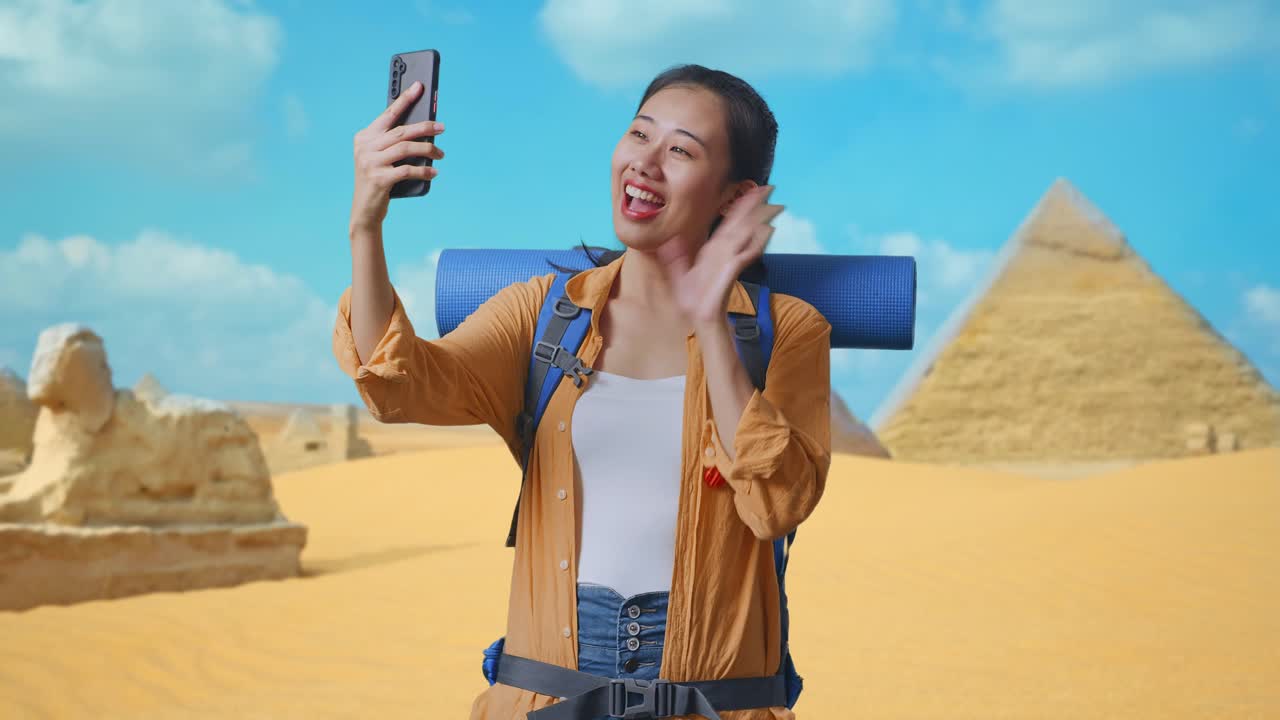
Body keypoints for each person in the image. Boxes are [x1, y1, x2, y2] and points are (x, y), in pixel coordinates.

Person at [333, 63, 832, 719]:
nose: (645, 164)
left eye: (680, 150)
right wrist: (365, 227)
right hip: (544, 699)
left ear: (736, 200)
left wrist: (712, 318)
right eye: (638, 135)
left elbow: (778, 504)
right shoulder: (541, 315)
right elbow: (400, 387)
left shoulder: (786, 331)